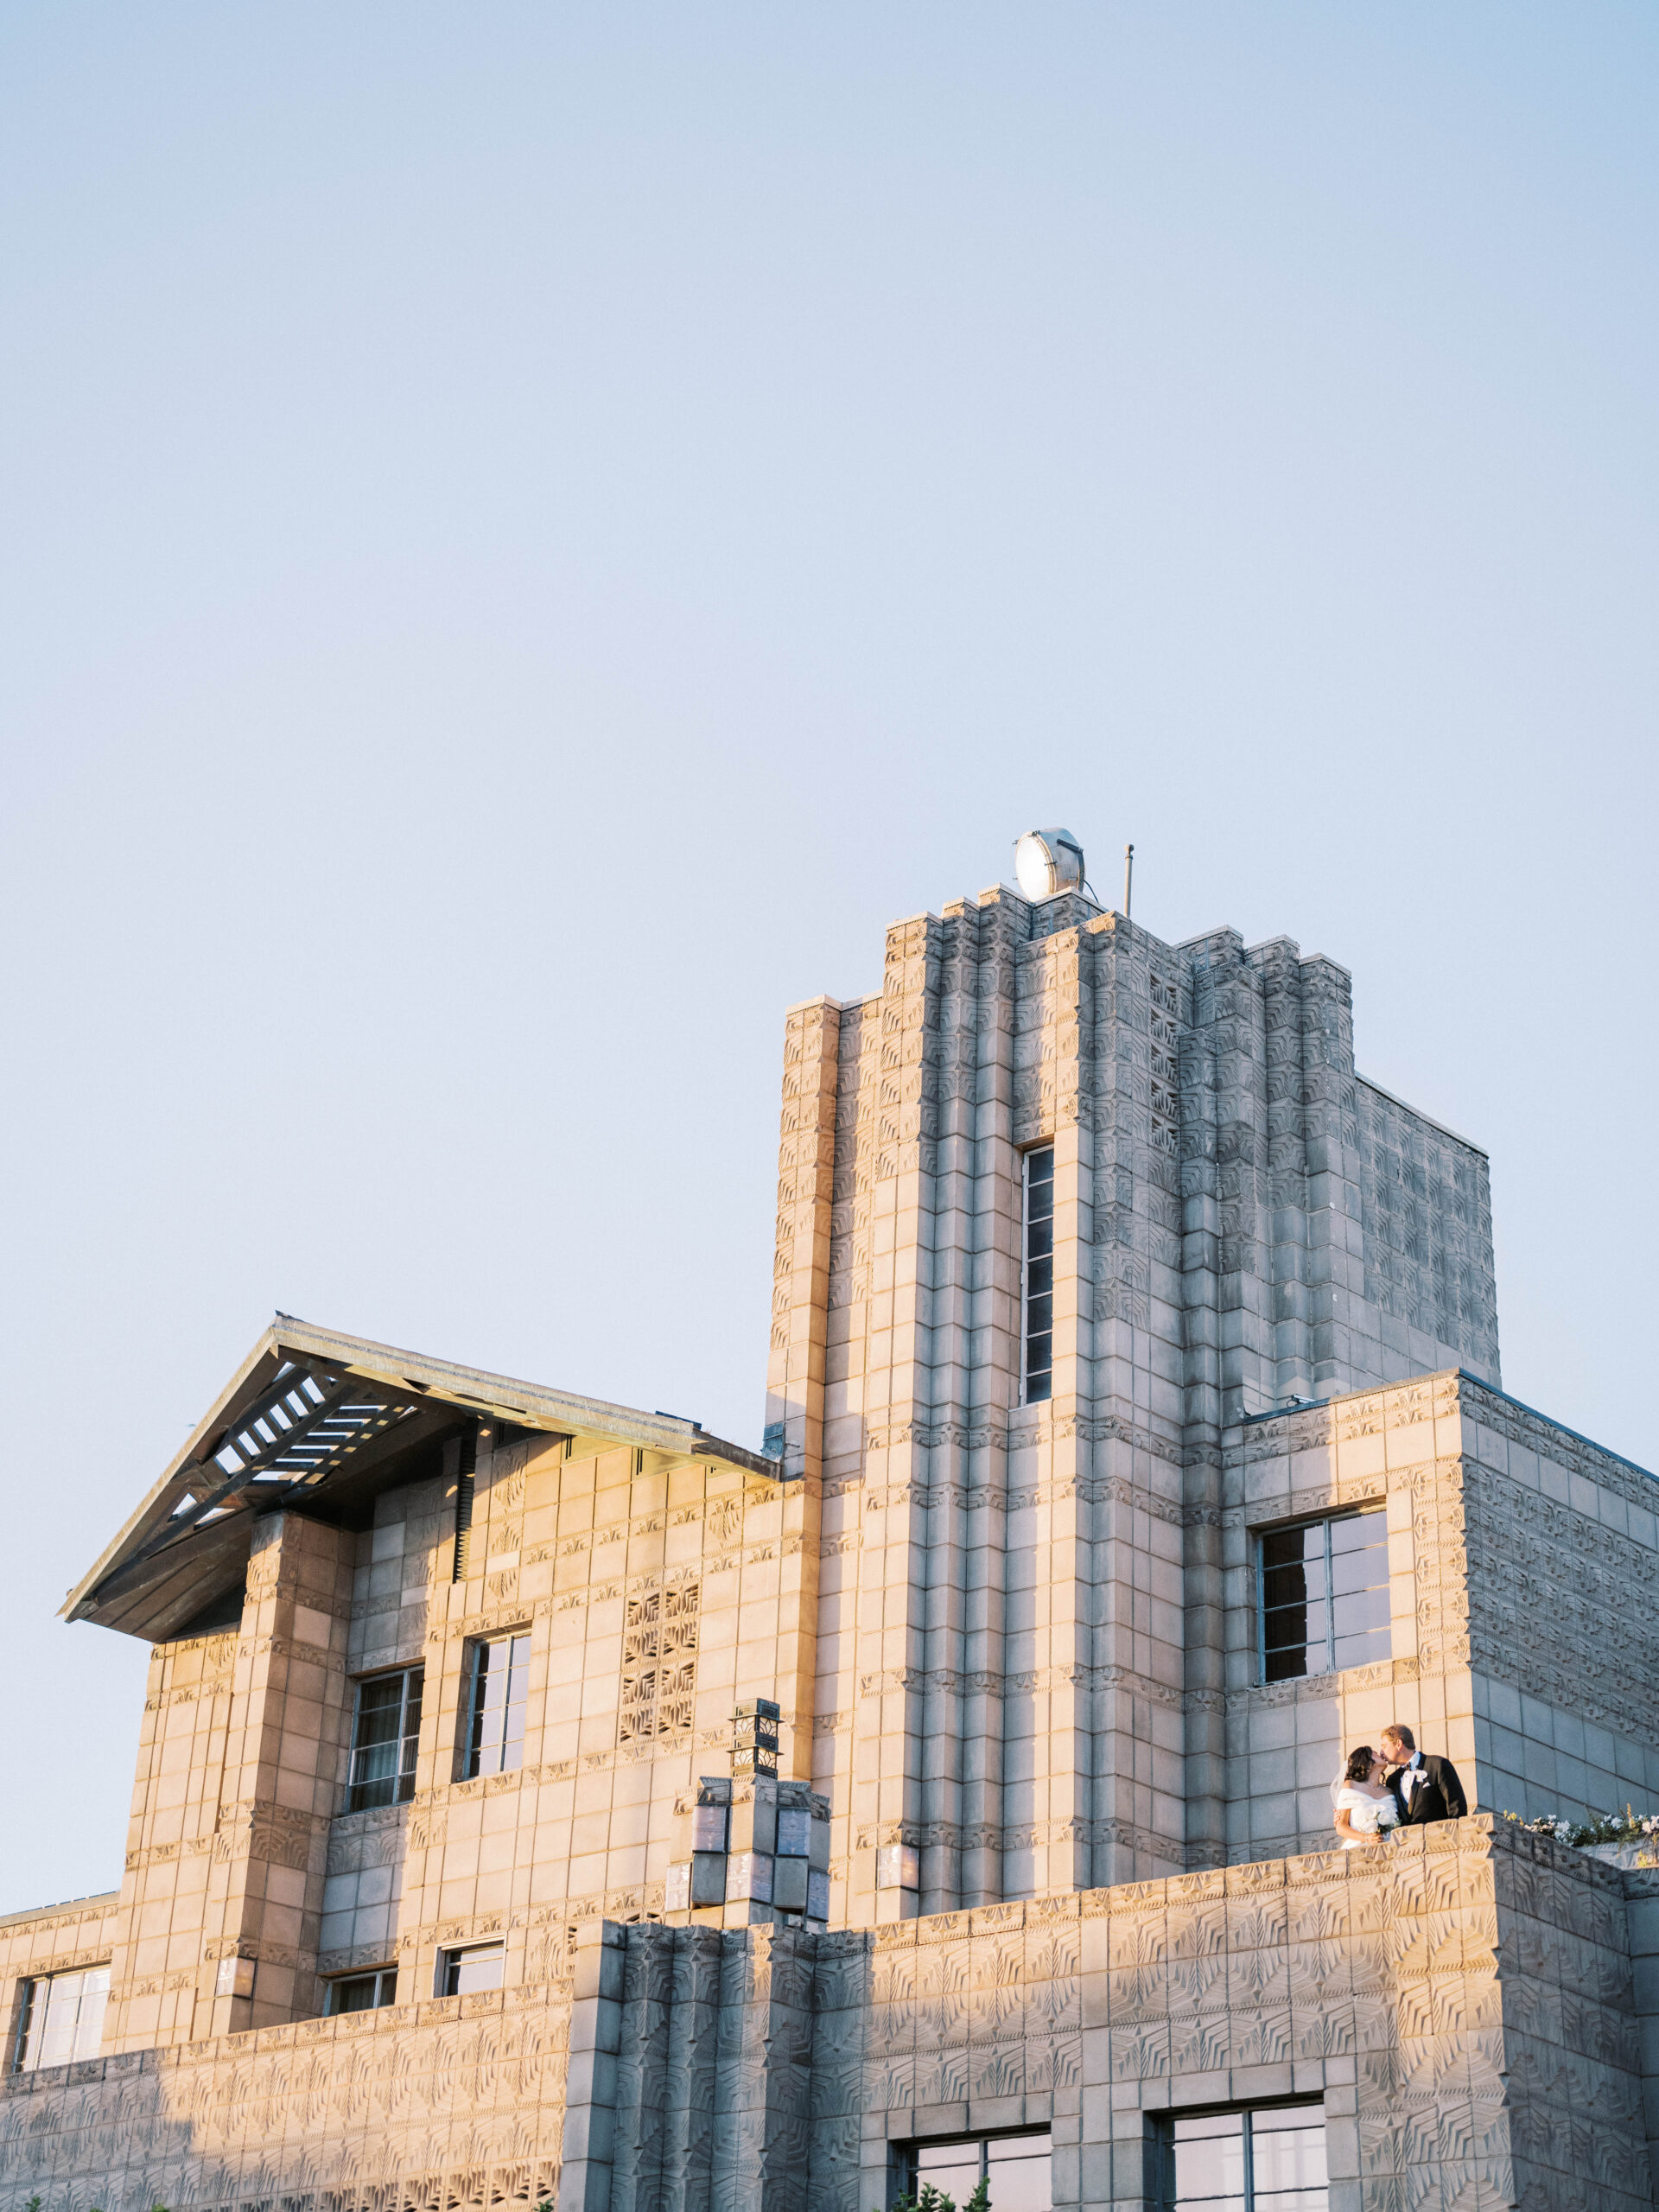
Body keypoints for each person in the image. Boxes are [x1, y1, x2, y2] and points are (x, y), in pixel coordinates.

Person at [1381, 1723, 1467, 1825]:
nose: (1381, 1752)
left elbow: (1456, 1807)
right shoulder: (1392, 1780)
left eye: (1385, 1746)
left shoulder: (1437, 1765)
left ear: (1398, 1744)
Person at [1332, 1745, 1401, 1849]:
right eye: (1375, 1753)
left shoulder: (1389, 1792)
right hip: (1359, 1849)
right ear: (1367, 1761)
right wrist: (1366, 1838)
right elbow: (1341, 1827)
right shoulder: (1350, 1786)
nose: (1381, 1754)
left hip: (1390, 1849)